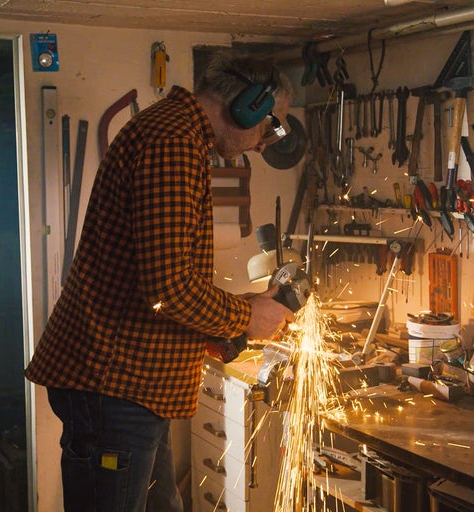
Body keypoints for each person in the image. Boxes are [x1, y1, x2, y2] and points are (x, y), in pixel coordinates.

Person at [24, 51, 296, 512]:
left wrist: (236, 310)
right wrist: (246, 315)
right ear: (247, 105)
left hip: (138, 387)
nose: (267, 141)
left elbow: (167, 278)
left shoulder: (176, 135)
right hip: (116, 385)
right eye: (271, 125)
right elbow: (168, 290)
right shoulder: (172, 142)